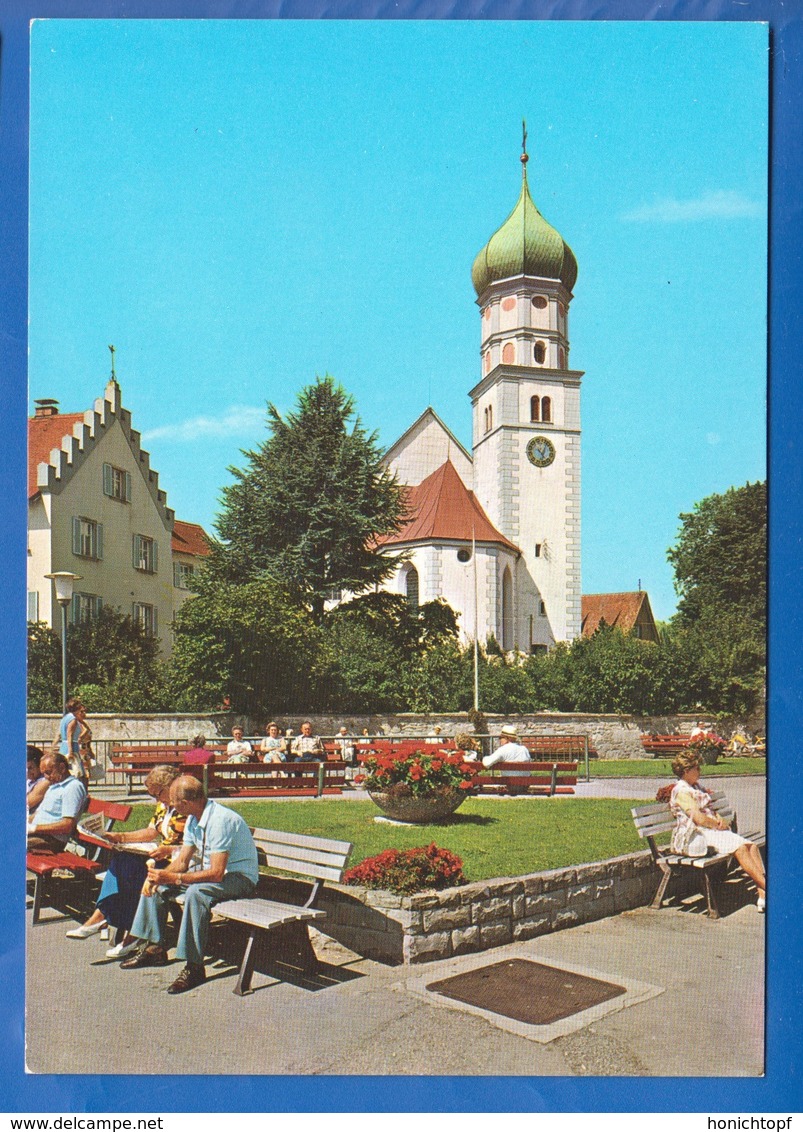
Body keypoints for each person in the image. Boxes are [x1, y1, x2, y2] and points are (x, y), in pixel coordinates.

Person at [120, 775, 258, 994]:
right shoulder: (194, 819)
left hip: (239, 877)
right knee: (159, 887)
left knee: (196, 893)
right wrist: (158, 877)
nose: (169, 806)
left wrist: (175, 878)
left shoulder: (219, 821)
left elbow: (216, 873)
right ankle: (154, 948)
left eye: (173, 803)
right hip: (214, 875)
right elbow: (182, 862)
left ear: (186, 803)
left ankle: (194, 966)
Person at [65, 765, 186, 958]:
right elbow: (152, 831)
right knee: (122, 860)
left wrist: (167, 850)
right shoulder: (164, 805)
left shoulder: (185, 804)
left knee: (132, 873)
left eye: (157, 794)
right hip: (160, 856)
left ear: (170, 786)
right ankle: (113, 922)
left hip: (179, 862)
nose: (156, 799)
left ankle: (114, 923)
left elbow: (192, 846)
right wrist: (120, 837)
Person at [669, 751, 766, 911]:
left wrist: (719, 818)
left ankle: (762, 895)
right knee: (740, 848)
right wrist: (716, 824)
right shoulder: (681, 791)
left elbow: (708, 809)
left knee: (751, 846)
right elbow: (698, 819)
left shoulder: (695, 787)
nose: (700, 771)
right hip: (697, 834)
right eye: (697, 768)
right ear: (686, 771)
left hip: (711, 830)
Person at [27, 753, 88, 854]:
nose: (46, 777)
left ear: (62, 767)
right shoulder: (54, 786)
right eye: (44, 774)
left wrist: (34, 828)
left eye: (49, 772)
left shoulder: (72, 787)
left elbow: (67, 825)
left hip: (51, 840)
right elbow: (37, 814)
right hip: (38, 835)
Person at [56, 697, 83, 780]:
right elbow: (69, 735)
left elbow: (60, 734)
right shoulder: (73, 720)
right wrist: (71, 751)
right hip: (71, 747)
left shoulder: (65, 718)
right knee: (76, 771)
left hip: (64, 746)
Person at [27, 746, 50, 814]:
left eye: (30, 768)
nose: (27, 772)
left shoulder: (45, 782)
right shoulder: (30, 779)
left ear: (39, 765)